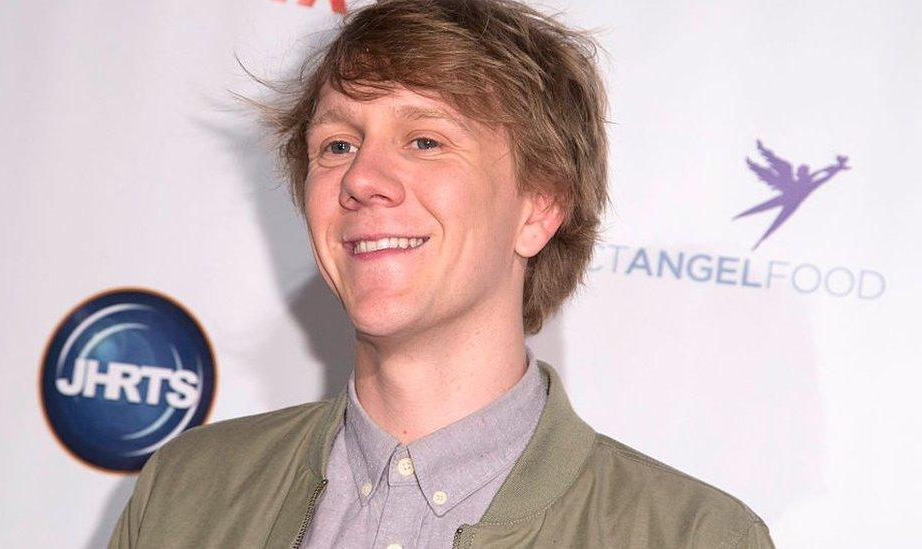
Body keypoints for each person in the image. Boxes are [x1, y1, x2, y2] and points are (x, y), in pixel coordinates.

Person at [110, 0, 775, 547]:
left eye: (424, 140)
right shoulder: (187, 493)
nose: (362, 180)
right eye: (338, 145)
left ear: (540, 206)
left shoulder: (690, 536)